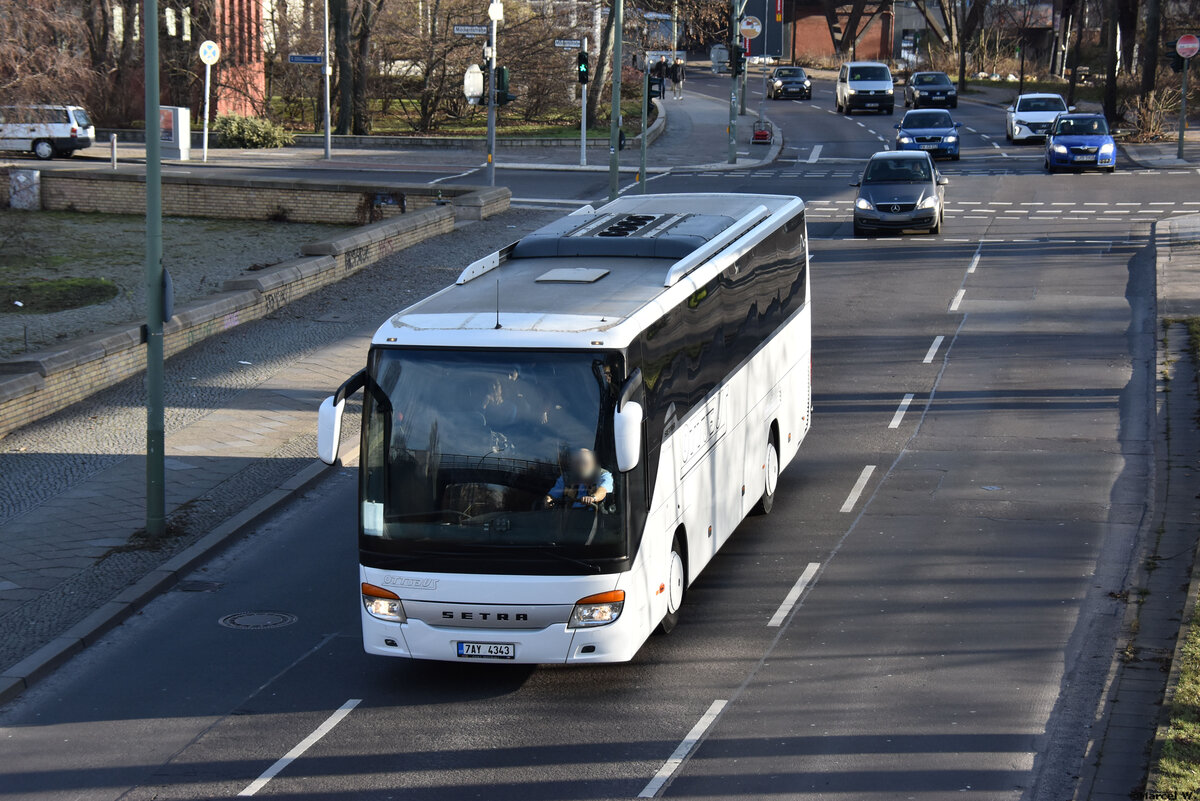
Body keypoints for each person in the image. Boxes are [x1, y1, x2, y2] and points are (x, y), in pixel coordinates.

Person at [544, 448, 613, 509]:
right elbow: (553, 494)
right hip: (569, 517)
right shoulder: (566, 478)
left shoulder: (603, 475)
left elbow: (603, 490)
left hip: (594, 517)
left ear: (593, 463)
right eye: (577, 463)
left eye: (585, 463)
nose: (581, 466)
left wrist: (593, 498)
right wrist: (548, 499)